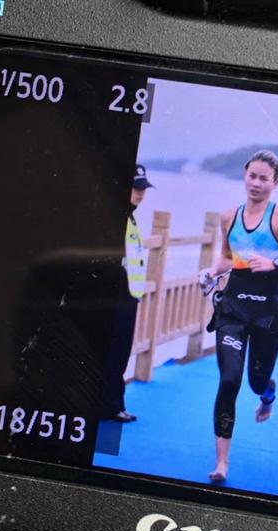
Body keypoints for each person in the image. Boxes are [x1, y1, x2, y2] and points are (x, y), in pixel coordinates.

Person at [201, 150, 278, 482]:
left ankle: (268, 393)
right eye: (251, 176)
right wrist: (210, 273)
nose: (255, 183)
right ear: (245, 176)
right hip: (233, 308)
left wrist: (275, 263)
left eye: (263, 178)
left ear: (275, 183)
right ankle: (221, 463)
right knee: (229, 380)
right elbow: (227, 258)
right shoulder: (229, 217)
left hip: (268, 311)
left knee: (256, 382)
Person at [103, 164, 154, 422]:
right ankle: (110, 406)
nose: (141, 194)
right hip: (115, 295)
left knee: (120, 352)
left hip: (127, 295)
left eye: (143, 189)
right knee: (113, 352)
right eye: (136, 188)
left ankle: (113, 403)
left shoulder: (130, 217)